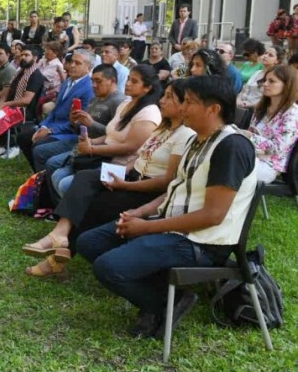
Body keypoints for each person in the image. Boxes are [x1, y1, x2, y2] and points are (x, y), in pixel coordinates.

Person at [77, 75, 258, 339]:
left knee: (109, 266)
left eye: (189, 102)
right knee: (89, 242)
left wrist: (147, 229)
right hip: (175, 227)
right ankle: (163, 293)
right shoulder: (198, 140)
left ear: (213, 109)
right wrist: (139, 214)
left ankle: (164, 302)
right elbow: (176, 190)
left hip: (201, 241)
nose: (182, 108)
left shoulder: (230, 147)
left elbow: (213, 215)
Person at [22, 79, 195, 279]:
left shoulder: (185, 135)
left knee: (92, 203)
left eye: (169, 97)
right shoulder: (163, 128)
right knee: (85, 177)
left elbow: (167, 182)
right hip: (131, 176)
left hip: (146, 189)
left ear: (184, 104)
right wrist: (121, 172)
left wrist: (127, 184)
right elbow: (140, 157)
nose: (162, 100)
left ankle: (57, 256)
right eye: (163, 95)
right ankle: (59, 235)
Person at [49, 65, 162, 198]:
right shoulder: (125, 104)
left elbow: (129, 148)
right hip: (104, 156)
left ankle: (79, 215)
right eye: (128, 79)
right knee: (57, 175)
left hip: (121, 166)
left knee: (66, 184)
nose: (128, 84)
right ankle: (64, 212)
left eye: (134, 81)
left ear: (147, 87)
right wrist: (90, 141)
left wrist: (92, 149)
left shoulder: (148, 113)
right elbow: (110, 135)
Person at [17, 49, 96, 172]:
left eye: (78, 63)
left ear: (89, 68)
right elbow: (55, 110)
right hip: (53, 126)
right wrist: (43, 127)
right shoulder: (67, 82)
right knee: (23, 137)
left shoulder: (89, 89)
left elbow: (77, 122)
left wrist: (50, 131)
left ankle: (43, 183)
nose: (72, 65)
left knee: (39, 146)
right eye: (72, 62)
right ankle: (38, 175)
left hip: (68, 133)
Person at [243, 65, 298, 183]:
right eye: (265, 80)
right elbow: (252, 133)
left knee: (230, 163)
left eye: (271, 81)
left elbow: (277, 147)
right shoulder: (261, 107)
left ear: (287, 85)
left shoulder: (293, 114)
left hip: (269, 166)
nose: (265, 84)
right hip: (251, 155)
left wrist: (250, 136)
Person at [237, 44, 284, 109]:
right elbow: (244, 89)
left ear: (277, 60)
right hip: (241, 108)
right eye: (265, 53)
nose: (265, 56)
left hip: (256, 110)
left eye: (270, 55)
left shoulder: (275, 78)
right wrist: (238, 100)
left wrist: (248, 105)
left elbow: (268, 101)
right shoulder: (257, 73)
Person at [36, 41, 67, 116]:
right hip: (38, 86)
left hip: (47, 91)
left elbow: (40, 76)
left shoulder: (57, 65)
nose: (45, 52)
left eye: (48, 50)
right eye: (46, 49)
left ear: (55, 53)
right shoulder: (42, 61)